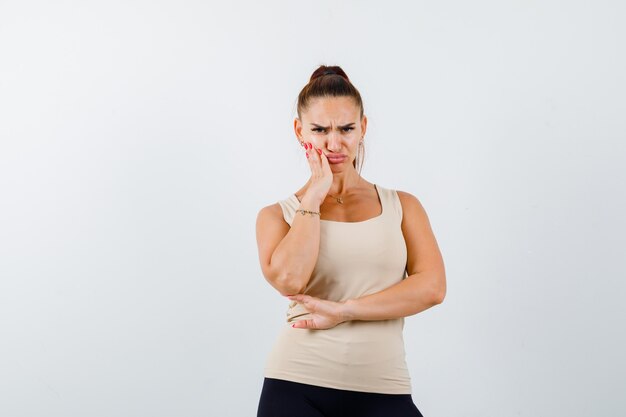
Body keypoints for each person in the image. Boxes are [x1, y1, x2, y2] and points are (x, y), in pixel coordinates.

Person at [255, 65, 446, 417]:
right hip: (295, 386)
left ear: (364, 128)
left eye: (346, 129)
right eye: (319, 130)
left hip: (383, 388)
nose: (334, 144)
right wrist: (312, 198)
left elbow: (432, 288)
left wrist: (343, 311)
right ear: (299, 131)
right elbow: (290, 280)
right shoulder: (277, 215)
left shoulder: (402, 206)